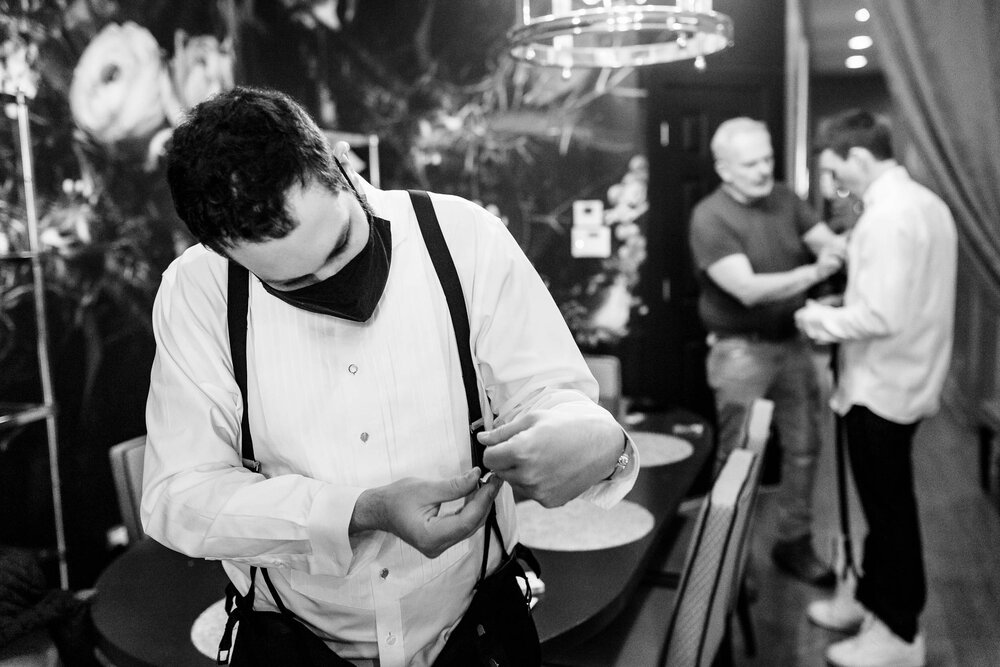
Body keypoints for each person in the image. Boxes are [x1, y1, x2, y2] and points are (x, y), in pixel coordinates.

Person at [141, 86, 637, 667]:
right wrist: (361, 510)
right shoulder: (197, 293)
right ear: (225, 252)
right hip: (295, 643)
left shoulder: (463, 237)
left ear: (342, 167)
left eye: (340, 245)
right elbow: (178, 496)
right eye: (295, 284)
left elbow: (553, 395)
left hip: (478, 630)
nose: (331, 281)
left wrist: (588, 436)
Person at [796, 109, 956, 667]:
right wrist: (848, 307)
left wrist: (818, 320)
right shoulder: (926, 205)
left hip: (882, 386)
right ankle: (871, 602)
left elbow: (883, 315)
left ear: (860, 158)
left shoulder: (887, 217)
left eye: (837, 171)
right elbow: (902, 298)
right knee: (883, 507)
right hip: (905, 377)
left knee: (889, 514)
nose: (835, 184)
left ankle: (898, 633)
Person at [688, 117, 845, 588]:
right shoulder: (710, 216)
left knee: (804, 449)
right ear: (723, 168)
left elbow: (829, 244)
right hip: (740, 354)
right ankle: (730, 564)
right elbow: (748, 290)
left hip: (792, 346)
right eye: (750, 163)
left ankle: (792, 543)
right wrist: (817, 273)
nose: (762, 170)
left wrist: (844, 246)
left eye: (767, 159)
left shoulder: (785, 197)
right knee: (739, 460)